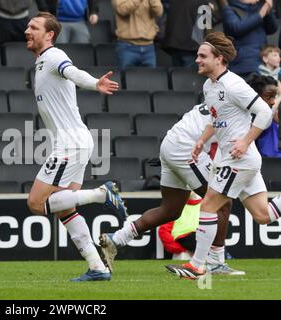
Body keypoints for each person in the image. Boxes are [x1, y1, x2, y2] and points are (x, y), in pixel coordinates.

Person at [166, 32, 281, 279]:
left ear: (219, 59)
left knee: (208, 205)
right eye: (198, 55)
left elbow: (264, 112)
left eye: (202, 56)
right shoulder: (210, 85)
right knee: (263, 215)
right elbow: (215, 118)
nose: (197, 59)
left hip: (239, 158)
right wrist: (201, 140)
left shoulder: (234, 85)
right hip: (239, 158)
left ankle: (197, 266)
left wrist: (245, 140)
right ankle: (202, 265)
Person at [25, 12, 127, 282]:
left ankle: (100, 194)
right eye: (28, 26)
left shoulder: (53, 55)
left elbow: (72, 72)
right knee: (65, 209)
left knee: (36, 203)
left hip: (70, 144)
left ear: (49, 35)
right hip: (77, 141)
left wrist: (95, 83)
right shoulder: (41, 62)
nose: (27, 30)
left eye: (34, 27)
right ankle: (98, 267)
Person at [99, 101, 244, 275]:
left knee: (170, 210)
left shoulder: (218, 98)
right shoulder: (239, 108)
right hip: (186, 148)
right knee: (222, 201)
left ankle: (117, 239)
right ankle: (215, 262)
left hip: (171, 144)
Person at [219, 0, 278, 79]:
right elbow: (236, 28)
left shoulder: (258, 8)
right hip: (243, 66)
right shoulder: (230, 9)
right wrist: (261, 13)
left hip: (263, 63)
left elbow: (272, 29)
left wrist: (268, 7)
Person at [112, 0, 164, 70]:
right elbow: (122, 10)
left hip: (149, 47)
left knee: (150, 80)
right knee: (124, 79)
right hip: (127, 46)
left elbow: (159, 12)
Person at [158, 193, 202, 260]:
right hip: (184, 239)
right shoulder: (175, 207)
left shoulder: (206, 205)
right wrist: (180, 249)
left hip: (199, 238)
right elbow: (163, 231)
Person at [251, 75, 281, 157]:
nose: (273, 102)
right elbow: (267, 115)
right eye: (268, 97)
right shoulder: (250, 116)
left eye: (275, 96)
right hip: (266, 163)